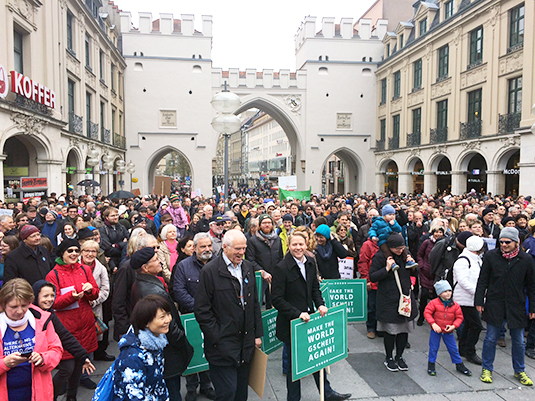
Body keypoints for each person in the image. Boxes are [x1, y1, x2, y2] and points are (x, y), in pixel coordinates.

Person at [272, 232, 351, 401]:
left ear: (306, 245)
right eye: (294, 245)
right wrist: (297, 314)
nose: (298, 248)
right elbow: (276, 299)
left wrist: (321, 304)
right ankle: (293, 398)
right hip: (292, 323)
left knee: (317, 358)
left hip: (311, 319)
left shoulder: (310, 262)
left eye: (301, 244)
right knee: (295, 367)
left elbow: (315, 287)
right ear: (289, 246)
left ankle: (327, 392)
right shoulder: (281, 268)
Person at [194, 230, 263, 401]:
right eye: (237, 249)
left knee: (241, 395)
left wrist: (257, 334)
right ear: (224, 247)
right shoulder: (210, 271)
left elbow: (254, 303)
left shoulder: (247, 267)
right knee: (227, 394)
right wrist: (217, 336)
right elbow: (202, 310)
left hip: (245, 346)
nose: (241, 253)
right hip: (221, 349)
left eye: (244, 248)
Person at [130, 247, 194, 401]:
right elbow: (168, 327)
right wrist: (184, 343)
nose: (160, 261)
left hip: (159, 350)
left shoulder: (141, 283)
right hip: (167, 353)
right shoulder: (153, 291)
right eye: (155, 260)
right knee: (172, 392)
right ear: (145, 268)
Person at [475, 227, 535, 386]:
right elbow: (483, 280)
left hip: (516, 305)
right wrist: (479, 300)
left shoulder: (526, 259)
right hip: (495, 303)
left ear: (517, 242)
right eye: (501, 242)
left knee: (519, 341)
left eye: (507, 242)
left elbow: (532, 286)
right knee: (490, 338)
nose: (503, 245)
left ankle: (519, 370)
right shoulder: (491, 256)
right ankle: (487, 368)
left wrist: (533, 308)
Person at [45, 239, 100, 400]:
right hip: (66, 328)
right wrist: (71, 297)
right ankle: (50, 395)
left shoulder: (84, 269)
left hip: (85, 324)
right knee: (67, 368)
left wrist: (90, 291)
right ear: (62, 253)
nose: (74, 253)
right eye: (70, 251)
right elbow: (53, 303)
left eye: (76, 250)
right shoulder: (53, 274)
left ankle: (71, 397)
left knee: (78, 367)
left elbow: (95, 291)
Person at [0, 278, 63, 401]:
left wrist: (42, 358)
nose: (19, 311)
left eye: (24, 305)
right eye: (13, 307)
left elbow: (56, 350)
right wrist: (4, 364)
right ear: (3, 304)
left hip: (38, 392)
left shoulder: (42, 320)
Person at [173, 232, 217, 401]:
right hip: (190, 316)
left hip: (213, 317)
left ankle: (207, 385)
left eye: (209, 246)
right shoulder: (183, 266)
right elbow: (179, 291)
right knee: (192, 351)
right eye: (203, 246)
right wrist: (200, 308)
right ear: (195, 248)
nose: (207, 249)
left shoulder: (218, 263)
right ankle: (191, 387)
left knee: (208, 350)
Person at [370, 233, 417, 372]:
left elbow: (415, 273)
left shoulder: (405, 254)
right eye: (397, 249)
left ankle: (400, 356)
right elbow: (373, 276)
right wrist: (386, 269)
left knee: (404, 330)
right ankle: (389, 357)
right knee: (390, 331)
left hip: (405, 298)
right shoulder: (380, 256)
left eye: (402, 248)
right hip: (388, 299)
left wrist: (412, 264)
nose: (400, 251)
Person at [110, 295, 171, 400]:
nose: (168, 320)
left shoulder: (156, 341)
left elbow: (158, 382)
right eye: (162, 317)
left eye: (168, 314)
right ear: (146, 322)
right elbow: (134, 395)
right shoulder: (133, 356)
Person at [424, 280, 471, 377]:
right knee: (433, 347)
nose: (448, 293)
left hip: (448, 330)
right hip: (436, 330)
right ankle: (431, 364)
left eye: (449, 290)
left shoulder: (455, 305)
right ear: (439, 293)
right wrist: (433, 324)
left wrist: (453, 326)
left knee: (453, 348)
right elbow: (427, 313)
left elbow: (459, 317)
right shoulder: (434, 303)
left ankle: (459, 364)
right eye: (445, 291)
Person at [79, 240, 113, 363]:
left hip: (95, 307)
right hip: (77, 308)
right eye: (86, 251)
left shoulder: (101, 268)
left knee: (92, 337)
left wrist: (94, 301)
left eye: (93, 251)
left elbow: (105, 289)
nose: (90, 254)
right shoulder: (74, 265)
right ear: (81, 252)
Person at [453, 235, 485, 365]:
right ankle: (470, 352)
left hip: (471, 298)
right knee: (476, 325)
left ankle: (463, 349)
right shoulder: (464, 260)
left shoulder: (475, 259)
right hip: (464, 299)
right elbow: (463, 281)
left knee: (469, 324)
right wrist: (478, 294)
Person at [245, 214, 281, 309]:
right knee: (258, 304)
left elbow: (281, 257)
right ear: (260, 225)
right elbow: (250, 259)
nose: (267, 225)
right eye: (264, 223)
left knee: (274, 304)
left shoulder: (277, 239)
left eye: (269, 223)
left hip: (275, 276)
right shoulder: (253, 241)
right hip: (260, 277)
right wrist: (262, 272)